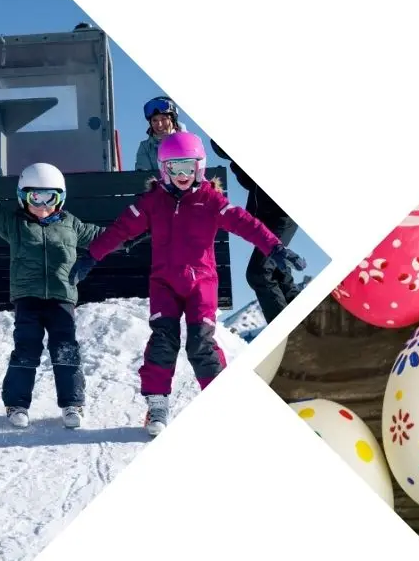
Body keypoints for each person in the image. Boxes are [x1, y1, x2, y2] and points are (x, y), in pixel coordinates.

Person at [70, 132, 307, 436]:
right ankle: (157, 406)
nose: (181, 176)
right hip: (164, 284)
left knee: (201, 343)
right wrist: (91, 256)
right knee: (162, 341)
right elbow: (120, 230)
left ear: (200, 167)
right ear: (163, 170)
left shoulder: (211, 200)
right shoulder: (152, 202)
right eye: (174, 168)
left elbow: (246, 224)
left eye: (187, 167)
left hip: (201, 284)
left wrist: (275, 248)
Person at [0, 152, 104, 430]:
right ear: (24, 197)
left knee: (65, 349)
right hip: (27, 298)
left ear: (60, 199)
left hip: (62, 298)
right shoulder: (15, 223)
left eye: (49, 198)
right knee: (26, 348)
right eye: (36, 198)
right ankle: (16, 404)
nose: (42, 206)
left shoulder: (72, 224)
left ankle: (72, 403)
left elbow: (105, 237)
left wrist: (139, 232)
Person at [210, 139, 302, 324]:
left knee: (259, 272)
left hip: (281, 217)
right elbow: (251, 184)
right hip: (267, 218)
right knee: (279, 273)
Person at [134, 96, 185, 172]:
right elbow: (144, 177)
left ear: (172, 120)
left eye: (164, 119)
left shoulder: (188, 142)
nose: (160, 125)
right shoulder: (146, 147)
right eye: (155, 120)